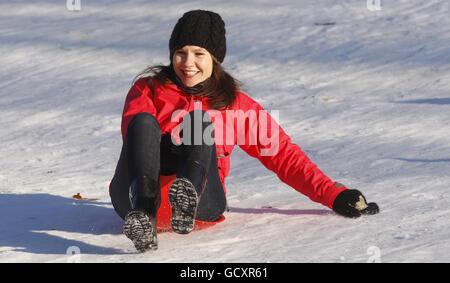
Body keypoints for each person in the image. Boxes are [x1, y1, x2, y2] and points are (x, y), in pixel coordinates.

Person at [109, 10, 379, 252]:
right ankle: (144, 214)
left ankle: (187, 196)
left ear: (215, 59)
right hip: (135, 200)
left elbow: (283, 155)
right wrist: (169, 149)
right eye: (181, 52)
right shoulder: (148, 89)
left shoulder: (237, 106)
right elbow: (135, 142)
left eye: (199, 53)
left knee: (199, 122)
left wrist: (334, 194)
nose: (187, 62)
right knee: (143, 122)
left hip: (203, 205)